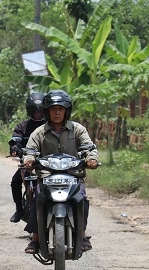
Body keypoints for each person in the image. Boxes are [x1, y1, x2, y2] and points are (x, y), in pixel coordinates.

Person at [22, 90, 99, 254]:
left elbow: (89, 147)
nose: (57, 112)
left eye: (61, 109)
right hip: (47, 177)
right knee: (36, 199)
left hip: (73, 177)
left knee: (82, 199)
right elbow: (30, 150)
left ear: (67, 111)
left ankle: (82, 235)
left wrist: (91, 159)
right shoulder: (39, 132)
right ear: (47, 111)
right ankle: (35, 239)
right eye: (53, 109)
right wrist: (28, 160)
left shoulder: (78, 129)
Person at [9, 92, 46, 223]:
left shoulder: (49, 126)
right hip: (28, 164)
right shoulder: (22, 126)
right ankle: (19, 209)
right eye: (35, 111)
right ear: (30, 111)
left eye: (40, 111)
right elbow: (15, 140)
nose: (38, 114)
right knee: (15, 182)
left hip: (47, 164)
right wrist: (15, 149)